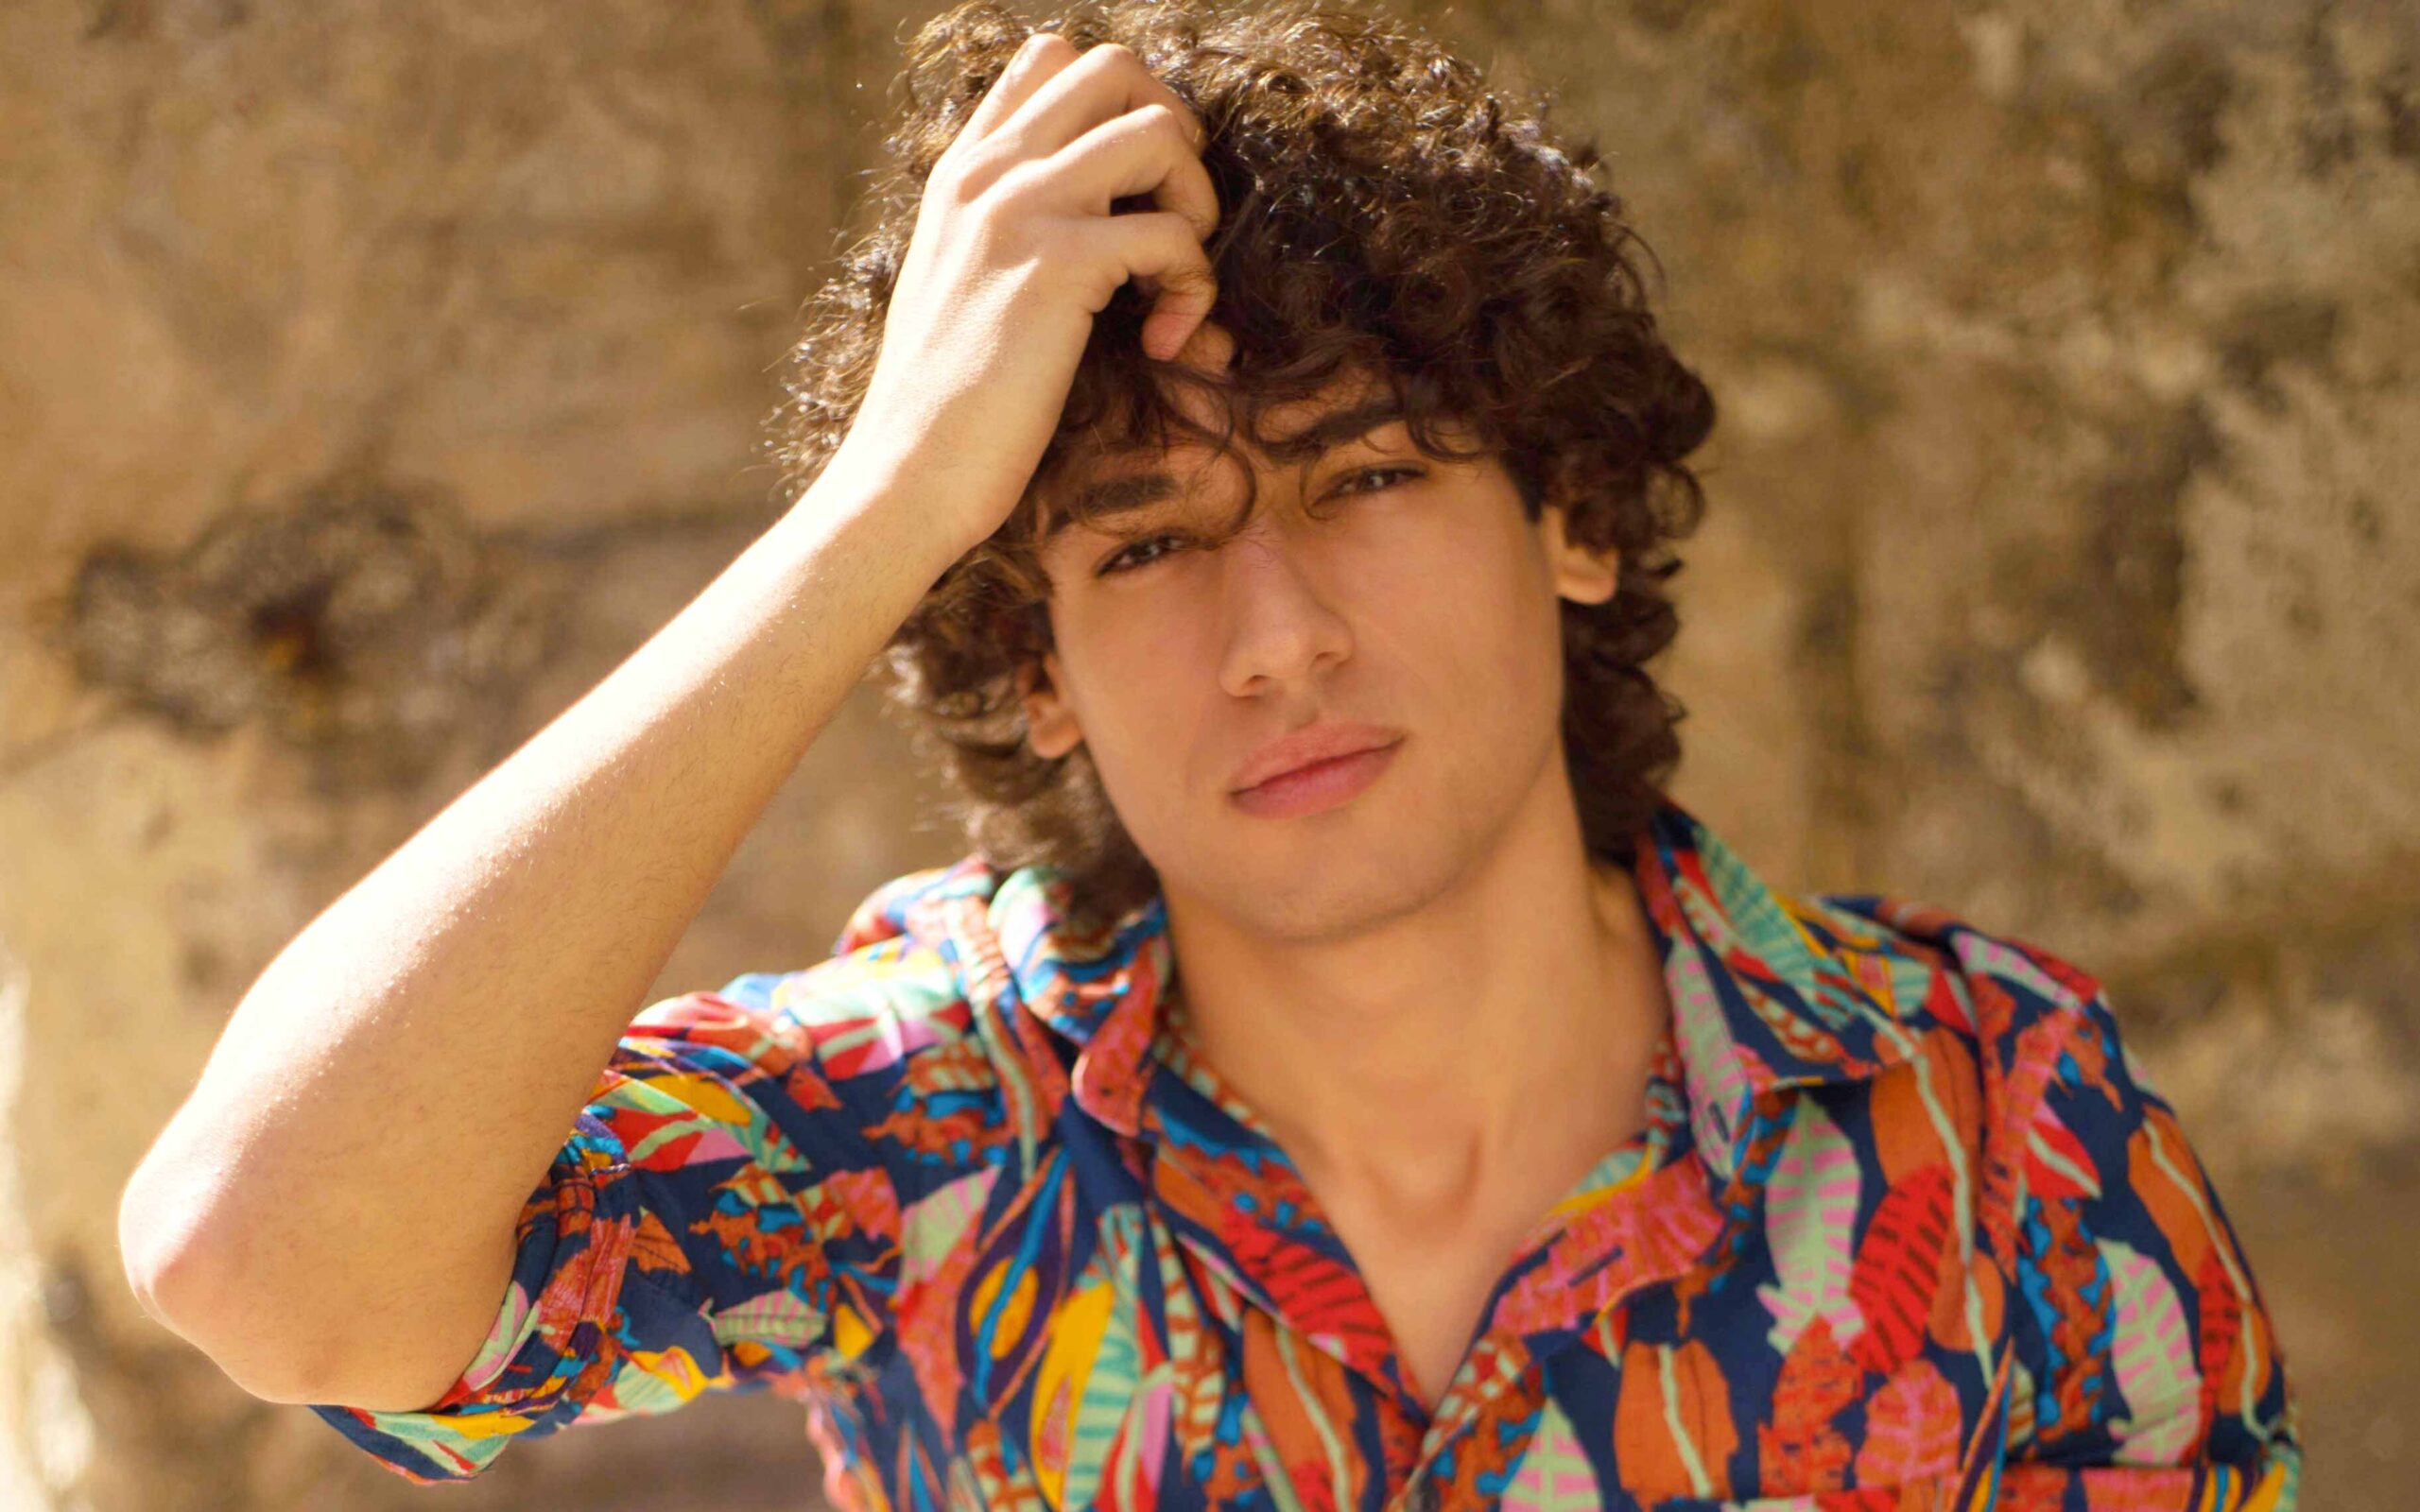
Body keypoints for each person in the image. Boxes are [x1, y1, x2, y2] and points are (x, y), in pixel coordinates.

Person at [120, 1, 2303, 1506]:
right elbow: (259, 1253)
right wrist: (884, 506)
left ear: (1567, 513)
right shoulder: (934, 1116)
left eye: (1364, 477)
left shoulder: (1989, 1107)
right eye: (1145, 541)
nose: (1275, 639)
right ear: (1036, 664)